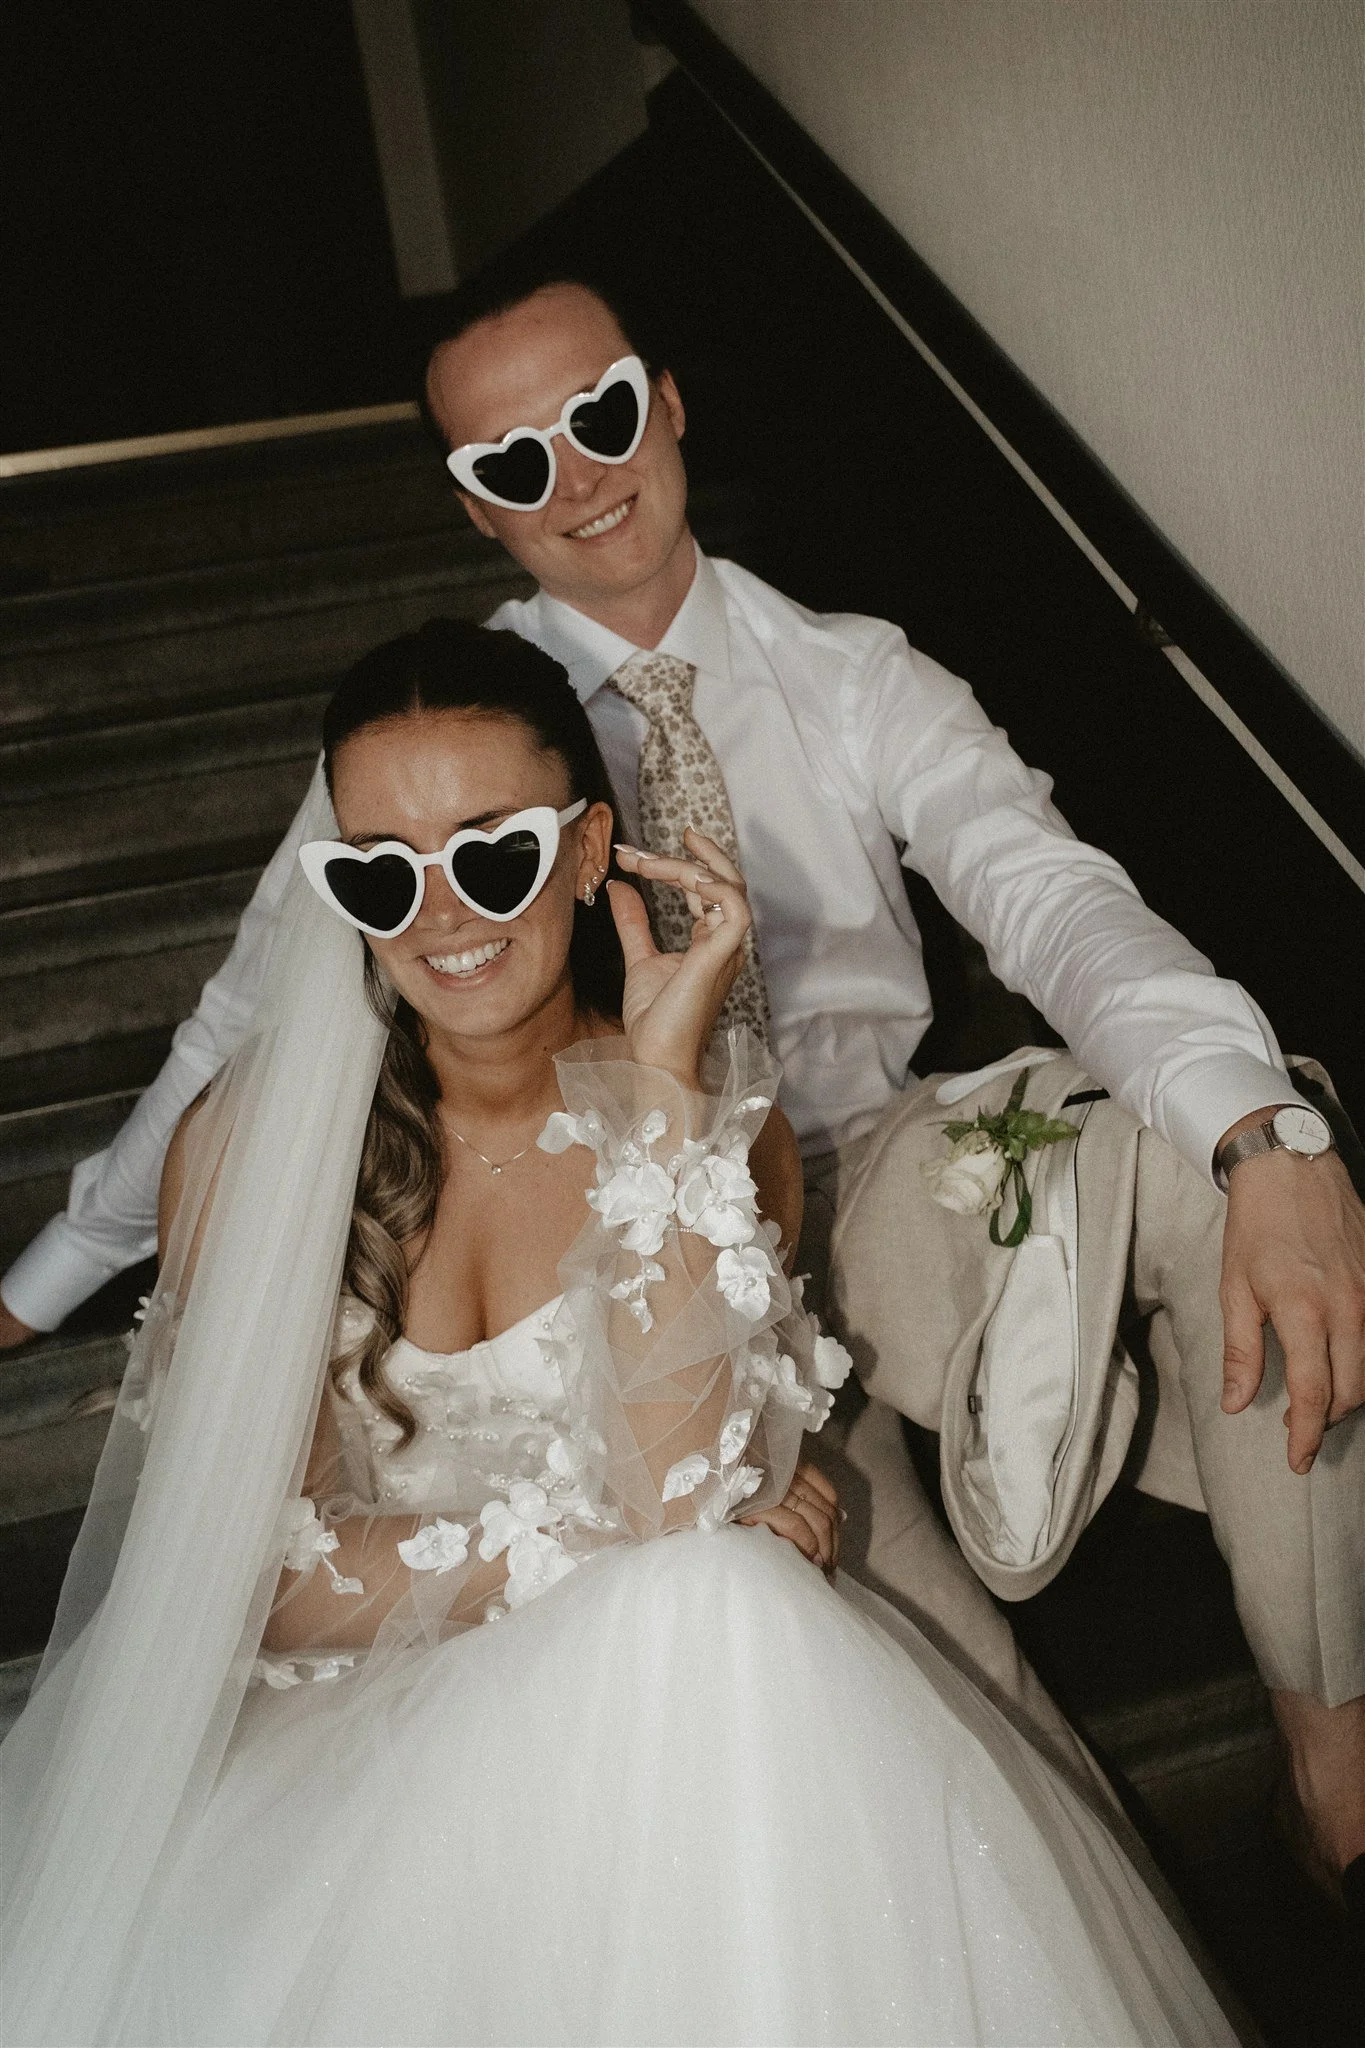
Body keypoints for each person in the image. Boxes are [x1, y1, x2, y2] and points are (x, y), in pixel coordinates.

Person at [3, 278, 1361, 1910]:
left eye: (598, 417)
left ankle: (1329, 1758)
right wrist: (52, 1275)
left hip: (849, 1182)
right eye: (514, 461)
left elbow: (1052, 897)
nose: (577, 477)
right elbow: (251, 1019)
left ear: (665, 402)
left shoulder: (854, 677)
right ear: (472, 505)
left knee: (1226, 1153)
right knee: (994, 1772)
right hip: (609, 1266)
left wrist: (1264, 1129)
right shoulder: (437, 744)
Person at [0, 621, 1242, 2044]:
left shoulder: (713, 1124)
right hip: (345, 1726)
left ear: (591, 850)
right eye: (380, 872)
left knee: (714, 1602)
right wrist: (606, 1545)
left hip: (651, 1691)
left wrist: (659, 1090)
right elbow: (253, 1572)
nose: (441, 915)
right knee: (710, 1591)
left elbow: (678, 1482)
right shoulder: (248, 1149)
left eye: (492, 855)